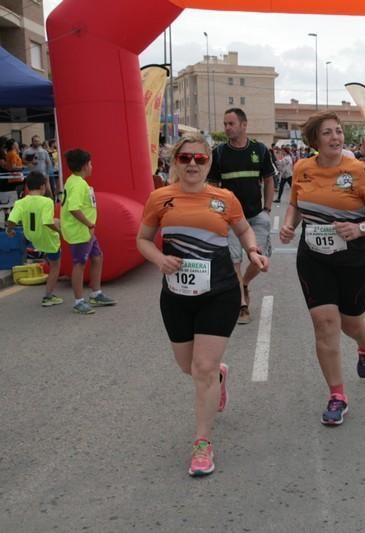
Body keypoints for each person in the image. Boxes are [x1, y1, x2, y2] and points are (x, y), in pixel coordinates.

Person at [137, 134, 269, 477]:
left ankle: (201, 443)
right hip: (177, 295)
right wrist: (159, 259)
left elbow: (243, 232)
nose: (192, 164)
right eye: (185, 159)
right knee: (188, 367)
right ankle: (219, 376)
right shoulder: (160, 198)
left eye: (199, 158)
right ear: (175, 162)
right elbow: (142, 239)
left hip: (220, 291)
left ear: (209, 163)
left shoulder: (224, 198)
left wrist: (253, 251)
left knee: (202, 369)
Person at [279, 111, 365, 426]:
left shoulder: (360, 170)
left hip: (356, 257)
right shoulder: (302, 168)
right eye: (327, 133)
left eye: (339, 132)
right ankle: (337, 395)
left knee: (349, 323)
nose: (335, 137)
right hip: (314, 255)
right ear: (315, 140)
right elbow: (295, 204)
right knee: (324, 323)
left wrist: (361, 229)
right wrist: (289, 224)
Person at [207, 107, 275, 325]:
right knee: (234, 262)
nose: (227, 127)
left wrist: (267, 208)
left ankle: (244, 283)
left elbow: (268, 179)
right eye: (225, 124)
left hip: (256, 216)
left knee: (260, 261)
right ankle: (242, 305)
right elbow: (213, 185)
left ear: (244, 125)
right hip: (230, 220)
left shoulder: (260, 150)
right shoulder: (219, 153)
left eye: (231, 124)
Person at [61, 148, 116, 315]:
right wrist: (89, 224)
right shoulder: (77, 184)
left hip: (86, 231)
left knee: (97, 258)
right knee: (79, 264)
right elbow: (73, 209)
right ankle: (79, 301)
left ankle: (96, 293)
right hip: (80, 231)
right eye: (90, 163)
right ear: (85, 165)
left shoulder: (76, 181)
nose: (92, 166)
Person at [5, 171, 63, 307]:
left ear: (27, 187)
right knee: (55, 266)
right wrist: (60, 231)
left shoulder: (21, 202)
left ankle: (37, 253)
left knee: (48, 256)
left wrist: (10, 230)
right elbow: (47, 222)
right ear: (43, 186)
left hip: (31, 237)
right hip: (48, 238)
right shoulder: (47, 201)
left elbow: (11, 220)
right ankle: (48, 296)